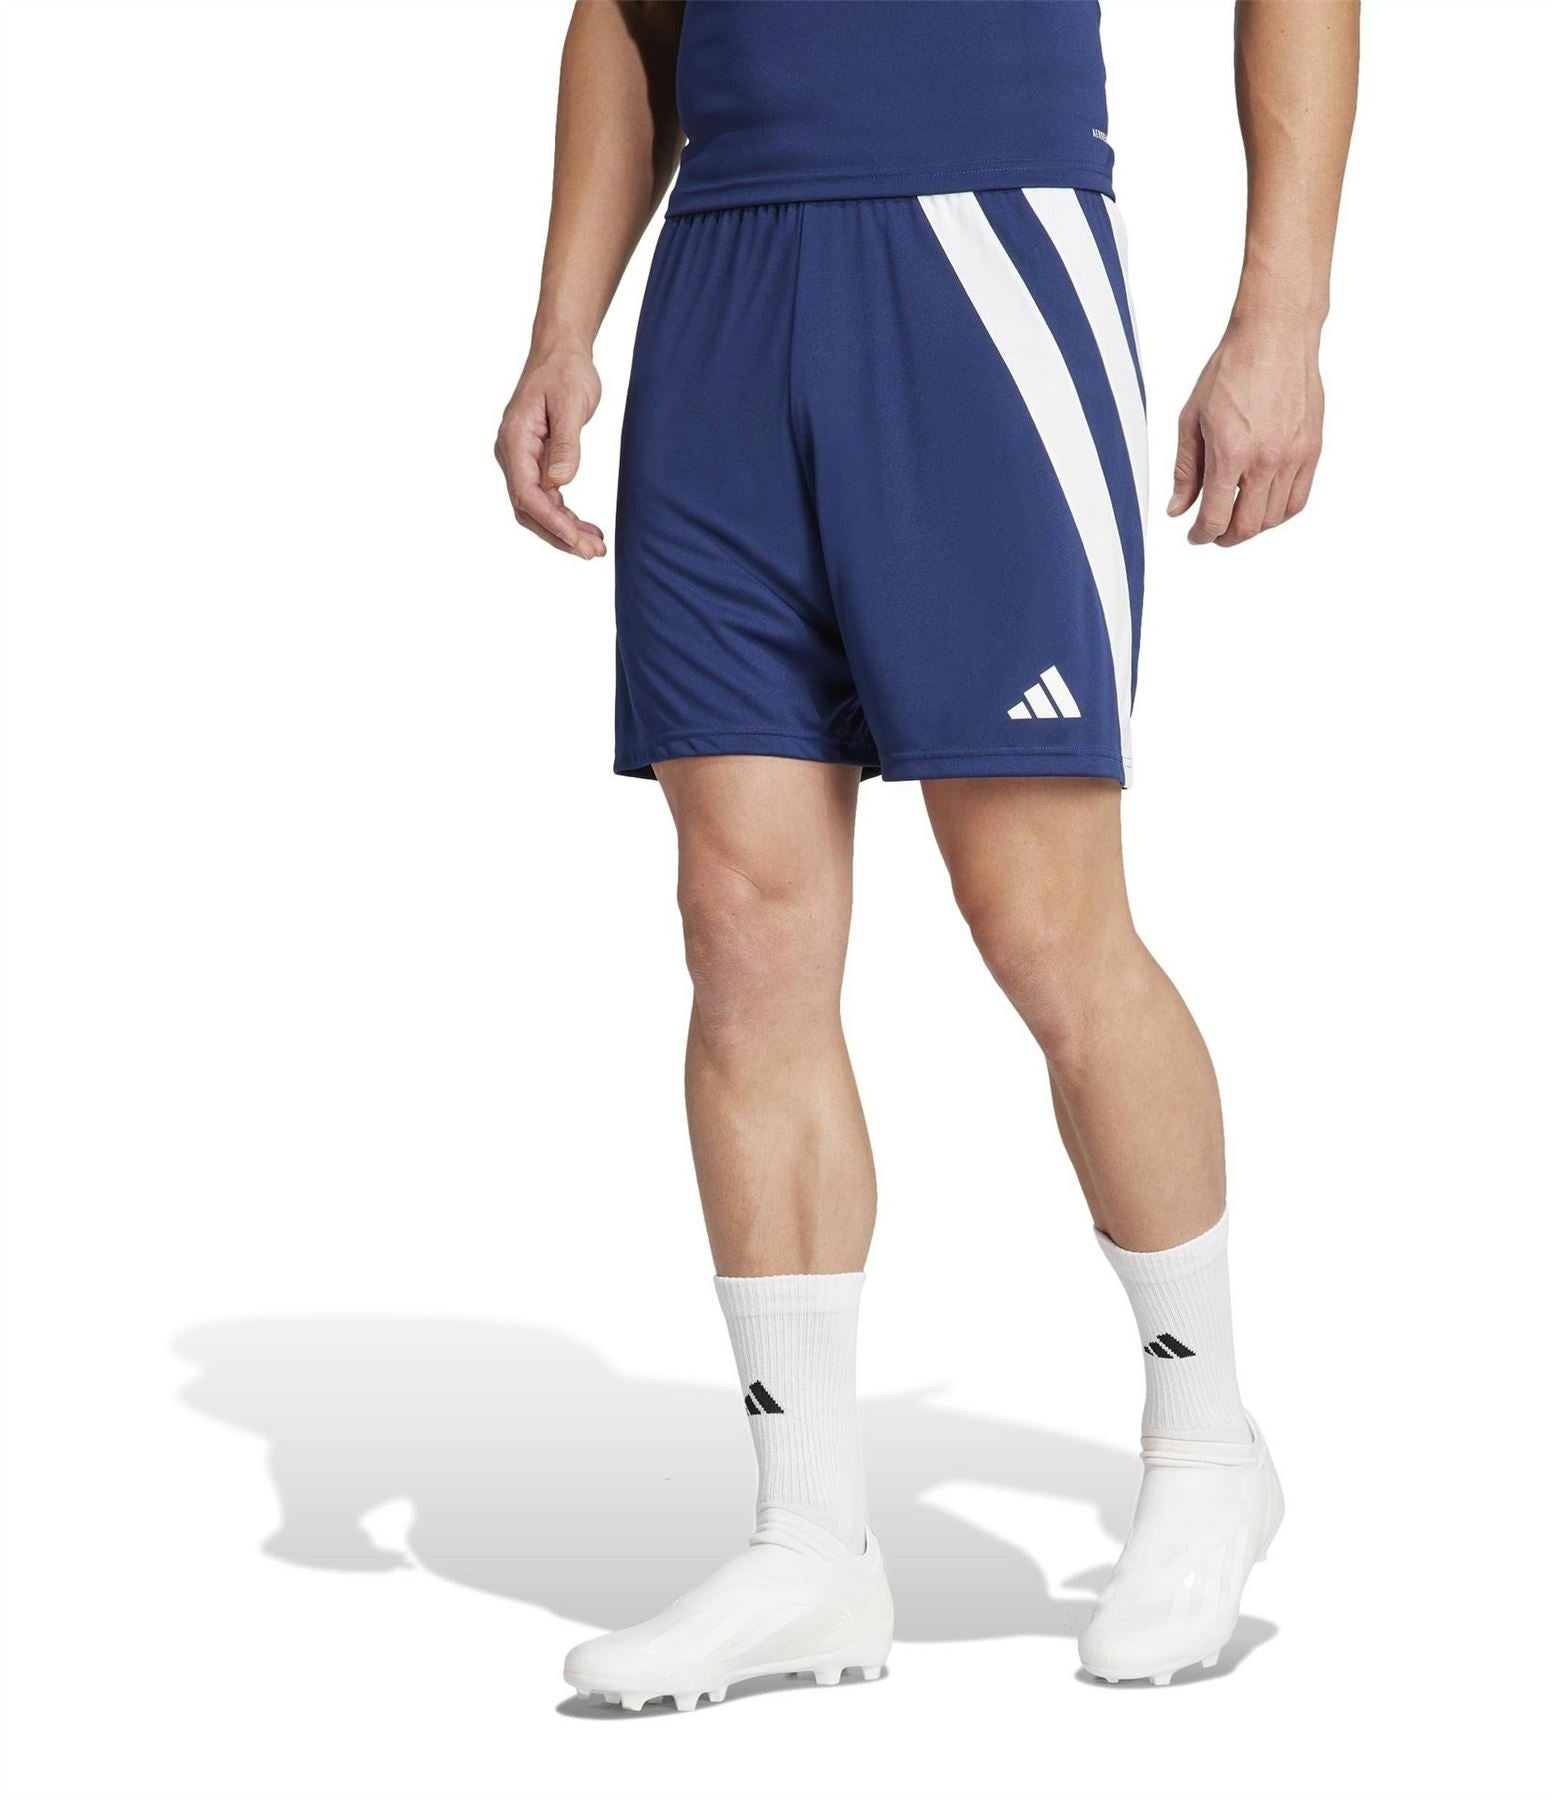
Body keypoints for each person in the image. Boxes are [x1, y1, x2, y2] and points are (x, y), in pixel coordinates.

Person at [495, 0, 1357, 1710]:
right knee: (742, 927)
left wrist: (1283, 315)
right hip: (724, 291)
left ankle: (1206, 1448)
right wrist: (562, 325)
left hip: (982, 258)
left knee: (1043, 918)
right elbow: (628, 15)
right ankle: (809, 1538)